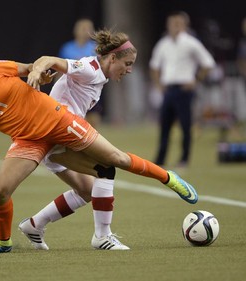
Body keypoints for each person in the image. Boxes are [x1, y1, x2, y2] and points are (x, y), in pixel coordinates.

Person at [0, 34, 197, 255]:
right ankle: (5, 242)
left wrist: (36, 72)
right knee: (0, 190)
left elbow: (32, 66)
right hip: (30, 141)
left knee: (113, 162)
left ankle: (168, 178)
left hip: (59, 122)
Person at [18, 29, 196, 251]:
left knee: (86, 191)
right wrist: (36, 71)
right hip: (57, 132)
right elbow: (49, 60)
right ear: (113, 58)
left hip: (54, 139)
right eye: (128, 63)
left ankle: (34, 225)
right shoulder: (90, 69)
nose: (129, 69)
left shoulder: (98, 76)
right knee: (107, 167)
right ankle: (106, 233)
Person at [149, 11, 215, 167]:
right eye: (172, 23)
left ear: (184, 25)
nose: (174, 26)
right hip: (168, 89)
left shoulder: (191, 43)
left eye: (178, 23)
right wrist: (158, 85)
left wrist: (196, 80)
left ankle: (184, 158)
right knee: (164, 126)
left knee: (185, 126)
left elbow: (208, 63)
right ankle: (160, 159)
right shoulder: (163, 44)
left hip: (184, 90)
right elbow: (154, 66)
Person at [59, 18, 102, 128]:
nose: (86, 31)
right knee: (78, 122)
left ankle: (93, 142)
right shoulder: (68, 48)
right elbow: (60, 68)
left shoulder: (95, 48)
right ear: (76, 30)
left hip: (89, 89)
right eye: (83, 28)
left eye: (89, 28)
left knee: (94, 120)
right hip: (73, 90)